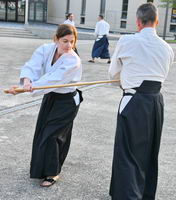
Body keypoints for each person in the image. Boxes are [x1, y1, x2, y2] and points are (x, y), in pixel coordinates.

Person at [109, 2, 174, 200]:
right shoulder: (167, 48)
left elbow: (113, 75)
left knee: (128, 152)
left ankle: (127, 195)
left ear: (138, 22)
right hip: (156, 102)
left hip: (133, 100)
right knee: (149, 150)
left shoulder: (127, 41)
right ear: (157, 21)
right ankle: (145, 194)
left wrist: (125, 79)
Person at [9, 24, 83, 187]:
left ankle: (53, 172)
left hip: (66, 102)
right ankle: (41, 168)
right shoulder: (45, 49)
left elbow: (52, 81)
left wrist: (24, 89)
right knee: (43, 132)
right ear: (56, 39)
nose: (69, 45)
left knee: (53, 135)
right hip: (51, 98)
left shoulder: (73, 61)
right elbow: (32, 65)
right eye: (65, 41)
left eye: (72, 41)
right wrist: (27, 80)